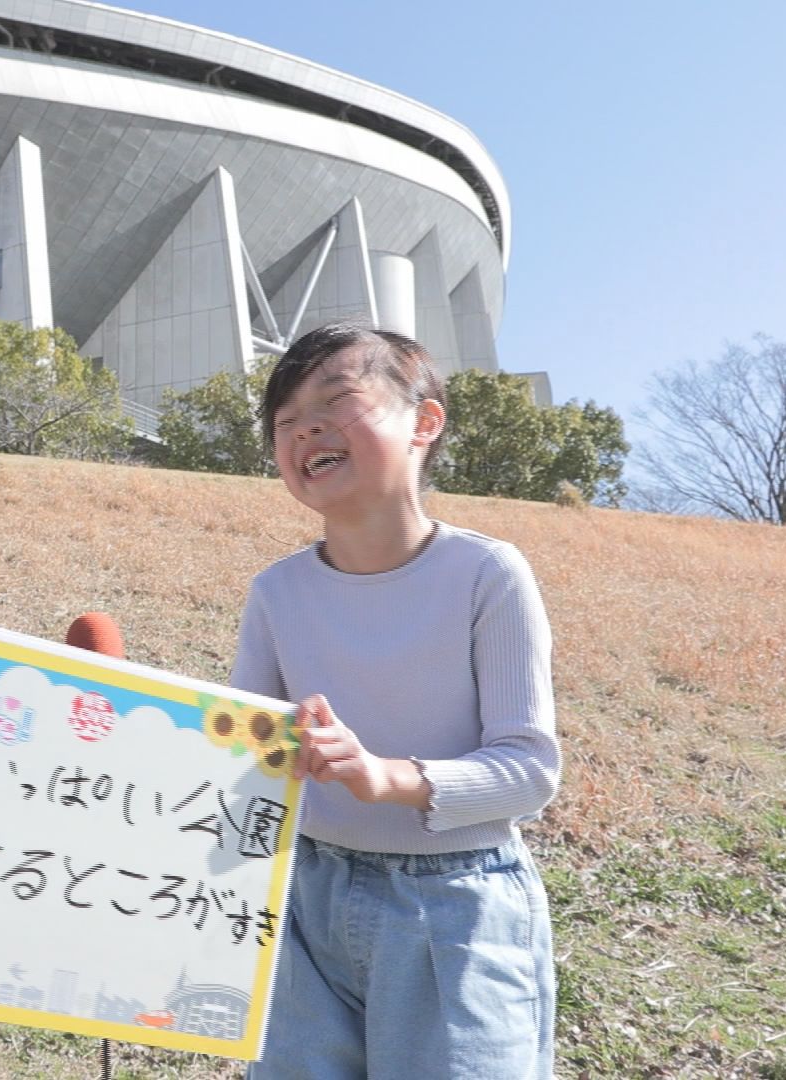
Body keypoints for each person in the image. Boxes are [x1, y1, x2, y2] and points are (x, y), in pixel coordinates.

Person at [234, 321, 561, 1078]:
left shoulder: (487, 573)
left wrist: (386, 777)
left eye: (336, 400)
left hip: (455, 904)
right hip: (302, 900)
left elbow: (528, 771)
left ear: (424, 422)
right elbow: (246, 756)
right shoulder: (276, 592)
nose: (305, 428)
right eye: (286, 421)